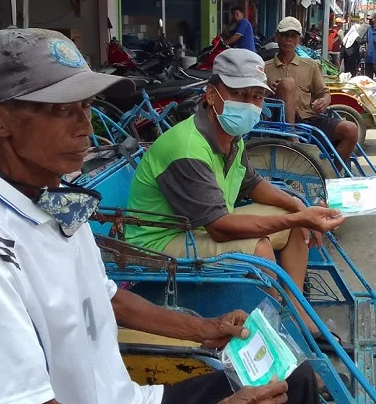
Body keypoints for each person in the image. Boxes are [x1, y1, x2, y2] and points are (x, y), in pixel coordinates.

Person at [0, 28, 320, 404]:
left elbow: (107, 298)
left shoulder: (56, 205)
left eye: (86, 106)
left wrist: (204, 328)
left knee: (295, 381)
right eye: (62, 110)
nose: (84, 126)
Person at [127, 47, 344, 335]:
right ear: (211, 94)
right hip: (158, 242)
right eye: (239, 94)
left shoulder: (232, 136)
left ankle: (298, 312)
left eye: (257, 96)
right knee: (258, 247)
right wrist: (298, 217)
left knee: (295, 224)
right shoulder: (187, 148)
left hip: (199, 225)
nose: (250, 104)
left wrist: (298, 208)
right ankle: (275, 327)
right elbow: (219, 229)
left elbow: (252, 183)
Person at [266, 17, 360, 164]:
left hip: (308, 120)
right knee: (288, 83)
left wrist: (324, 101)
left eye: (293, 36)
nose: (289, 40)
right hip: (279, 123)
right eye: (285, 35)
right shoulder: (265, 67)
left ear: (299, 40)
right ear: (277, 37)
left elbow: (324, 93)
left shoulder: (310, 65)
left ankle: (331, 173)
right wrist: (268, 92)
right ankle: (292, 135)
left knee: (351, 129)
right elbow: (255, 98)